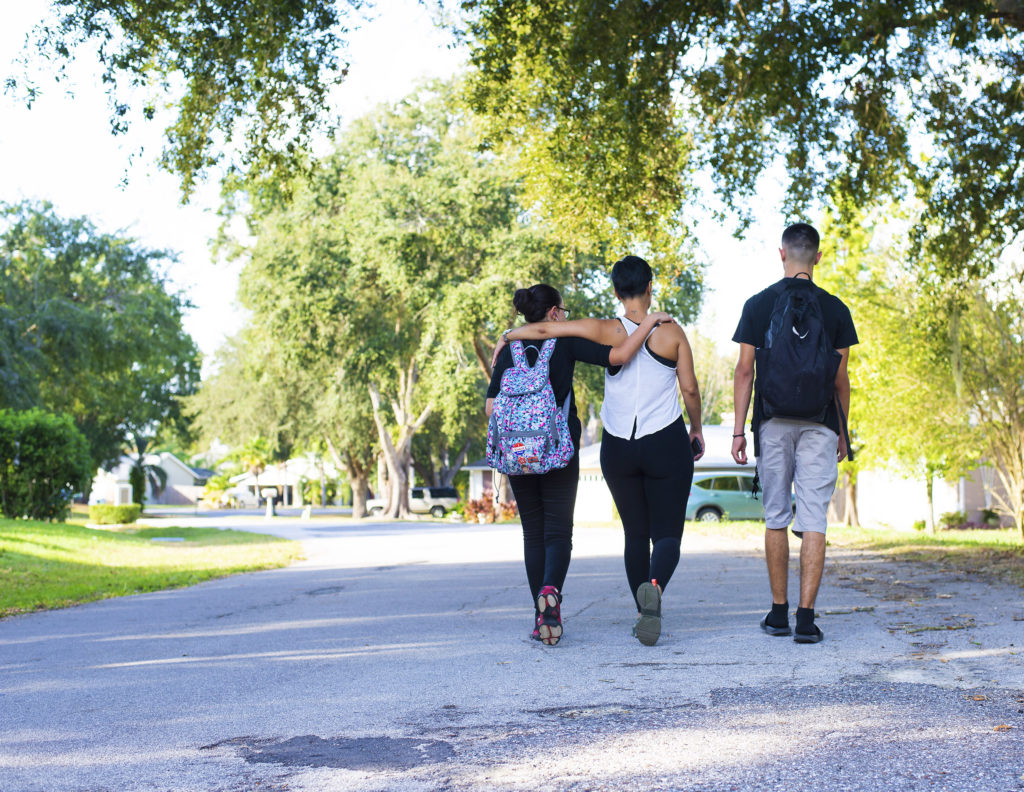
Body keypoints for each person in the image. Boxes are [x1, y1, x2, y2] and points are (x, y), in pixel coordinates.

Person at [499, 256, 704, 647]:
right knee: (666, 534)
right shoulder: (672, 332)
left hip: (618, 448)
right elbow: (690, 389)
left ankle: (643, 612)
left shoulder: (603, 329)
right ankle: (654, 590)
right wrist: (695, 427)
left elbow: (544, 329)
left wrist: (509, 335)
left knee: (635, 534)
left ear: (615, 291)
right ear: (650, 287)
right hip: (665, 440)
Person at [731, 223, 858, 644]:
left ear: (782, 254)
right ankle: (806, 619)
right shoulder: (836, 309)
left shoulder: (758, 304)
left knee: (775, 517)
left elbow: (744, 371)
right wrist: (843, 432)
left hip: (772, 422)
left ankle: (778, 614)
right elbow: (841, 380)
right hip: (821, 423)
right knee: (814, 519)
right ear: (817, 257)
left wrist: (738, 432)